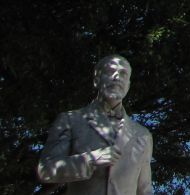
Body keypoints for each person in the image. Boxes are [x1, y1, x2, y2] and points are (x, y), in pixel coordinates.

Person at [36, 55, 153, 195]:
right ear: (97, 80)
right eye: (110, 71)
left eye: (123, 74)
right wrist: (91, 159)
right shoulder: (70, 120)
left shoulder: (142, 134)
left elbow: (144, 190)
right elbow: (46, 171)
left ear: (128, 85)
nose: (117, 77)